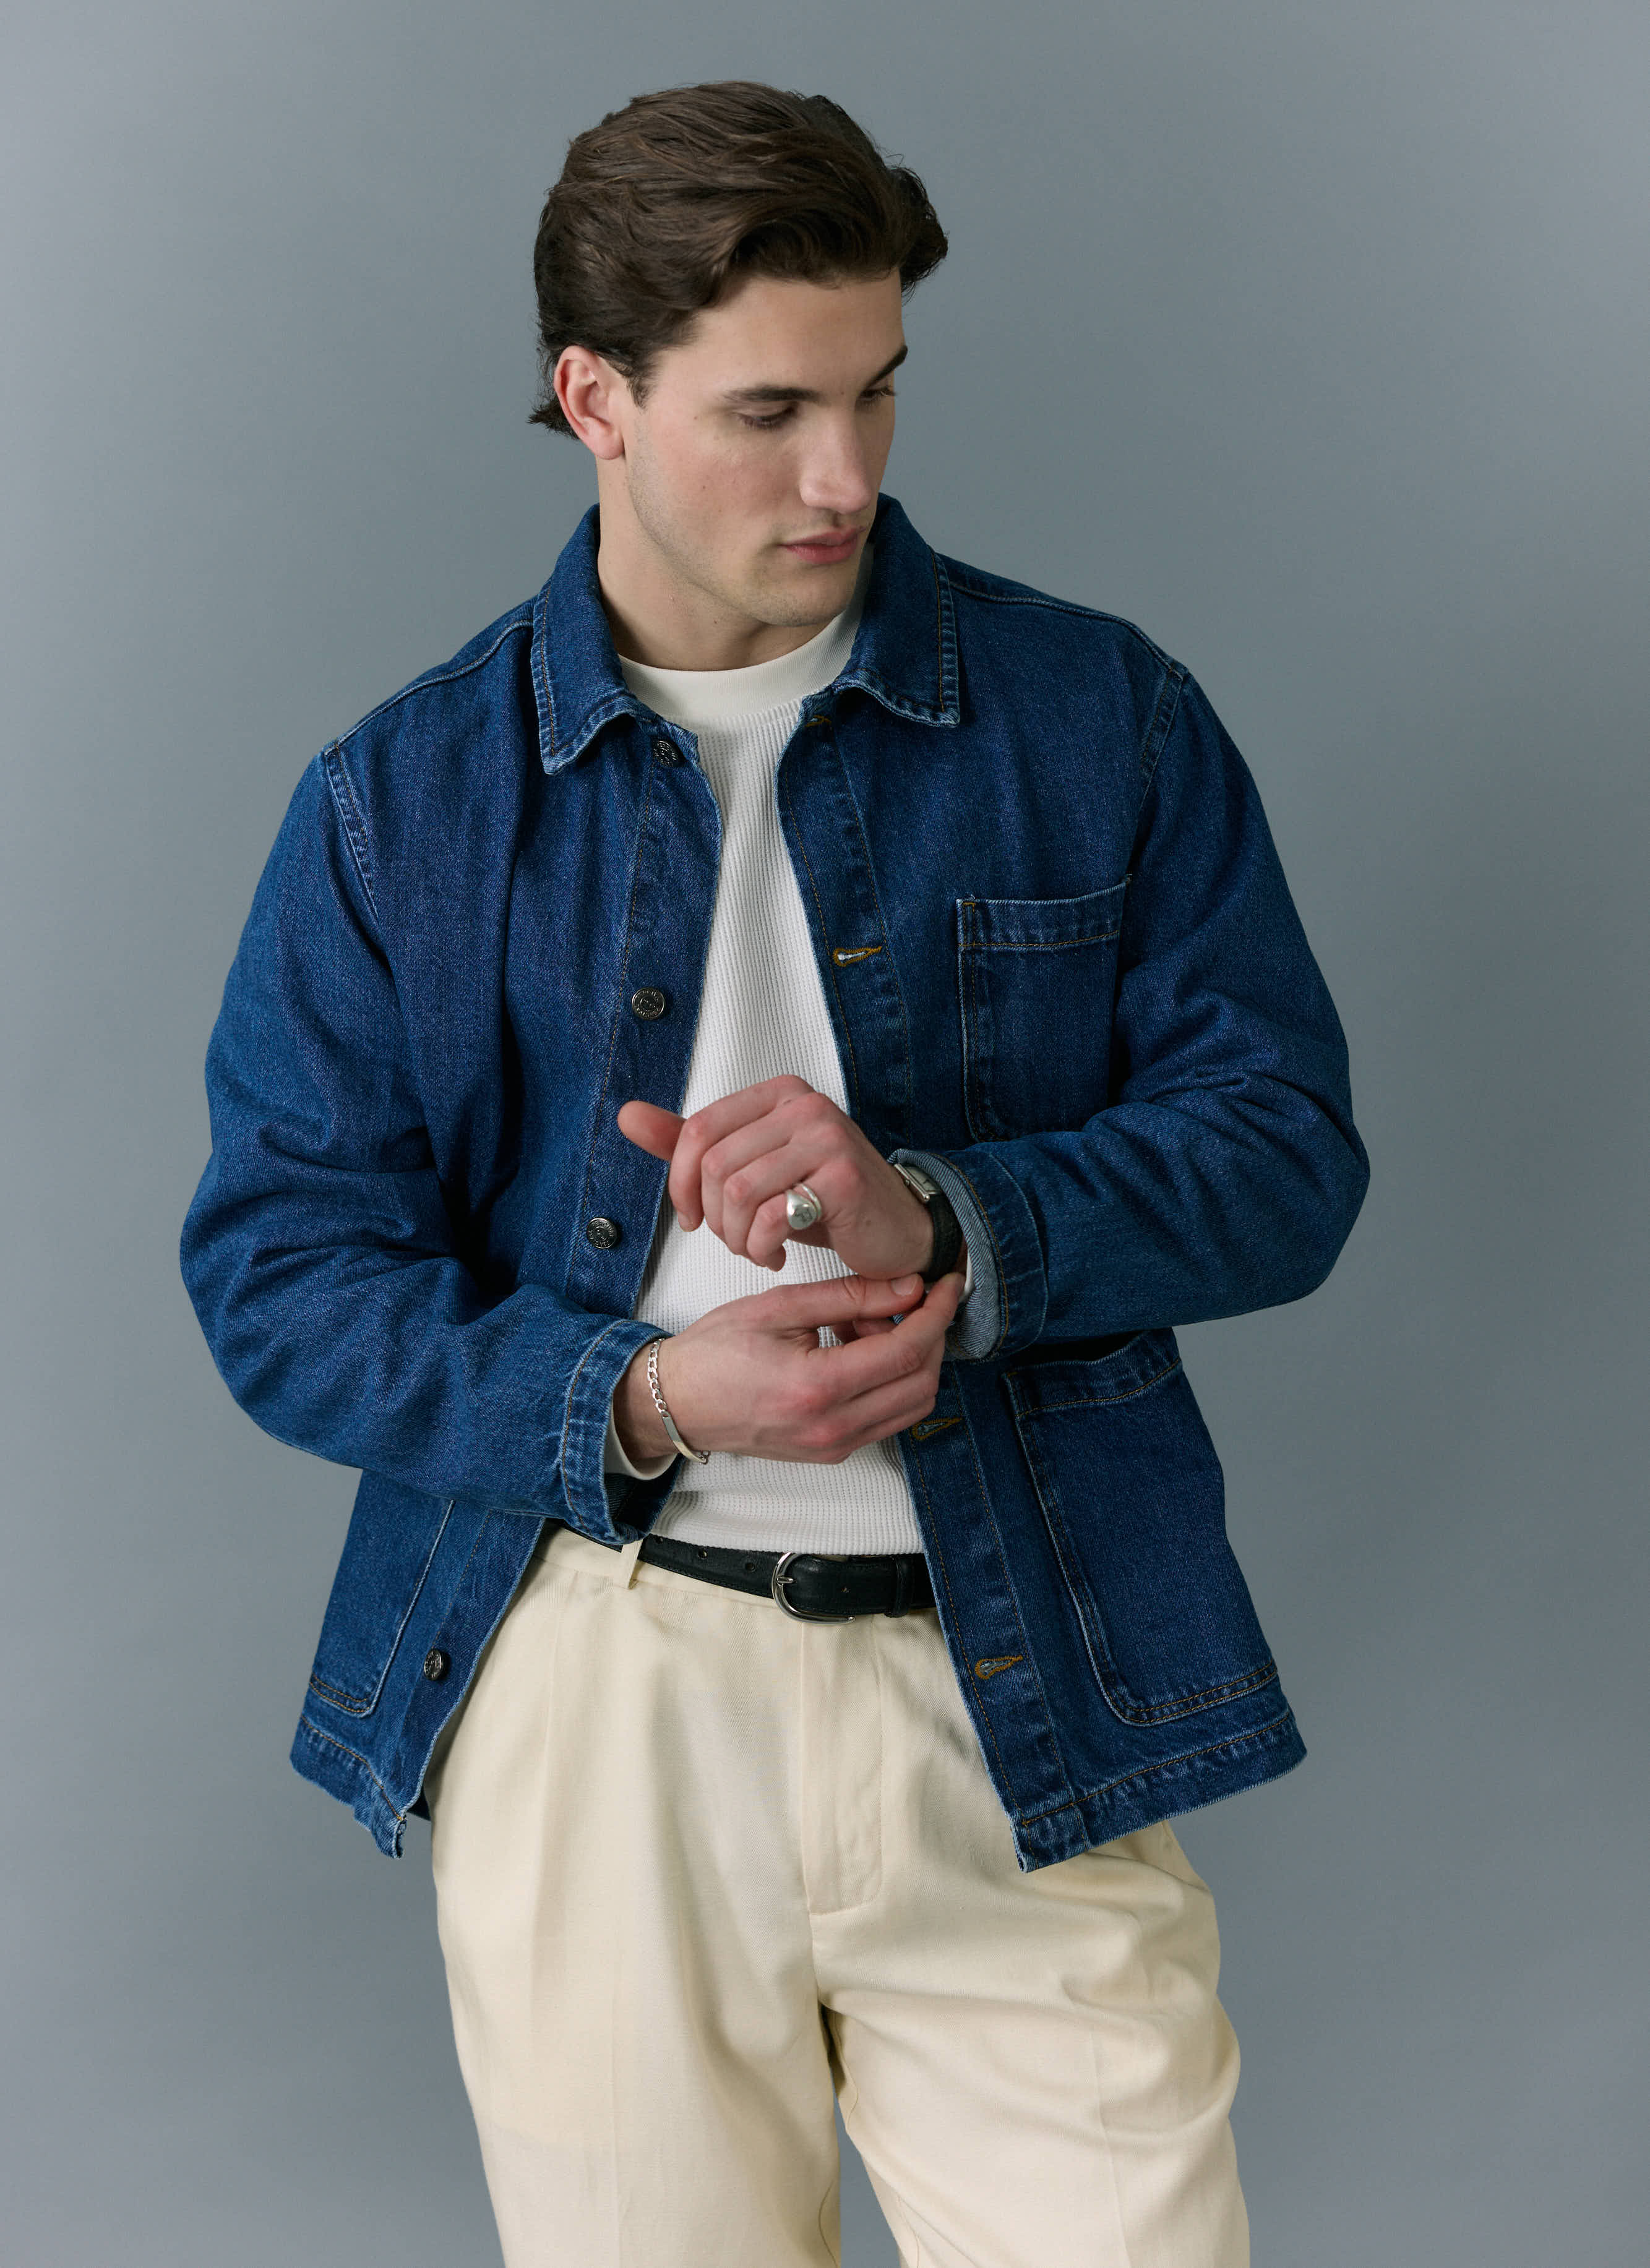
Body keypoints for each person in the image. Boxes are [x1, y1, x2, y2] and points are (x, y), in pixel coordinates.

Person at [181, 79, 1369, 2268]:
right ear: (593, 400)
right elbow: (278, 1275)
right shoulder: (403, 803)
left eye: (879, 395)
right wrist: (635, 1401)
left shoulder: (1097, 719)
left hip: (1020, 1672)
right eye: (770, 411)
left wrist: (952, 1212)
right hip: (595, 1694)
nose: (844, 476)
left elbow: (1285, 1154)